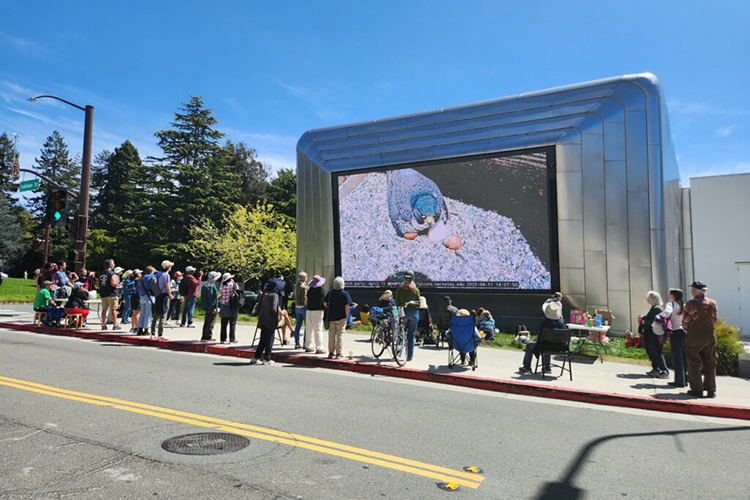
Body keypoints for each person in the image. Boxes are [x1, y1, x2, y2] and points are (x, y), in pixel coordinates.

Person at [682, 281, 718, 398]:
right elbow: (714, 319)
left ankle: (697, 389)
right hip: (709, 336)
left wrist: (689, 327)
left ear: (694, 291)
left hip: (695, 337)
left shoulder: (690, 304)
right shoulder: (713, 303)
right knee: (710, 362)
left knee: (694, 362)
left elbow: (685, 322)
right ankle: (711, 389)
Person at [519, 300, 565, 374]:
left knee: (529, 345)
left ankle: (527, 367)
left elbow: (540, 340)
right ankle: (547, 367)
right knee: (548, 343)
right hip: (560, 348)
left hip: (545, 346)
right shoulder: (561, 323)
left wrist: (537, 339)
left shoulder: (544, 323)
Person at [639, 291, 668, 379]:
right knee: (650, 350)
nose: (647, 299)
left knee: (655, 350)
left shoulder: (656, 308)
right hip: (649, 331)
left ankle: (663, 370)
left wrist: (643, 317)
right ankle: (656, 368)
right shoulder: (654, 308)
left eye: (649, 298)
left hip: (653, 332)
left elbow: (652, 319)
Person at [323, 276, 353, 359]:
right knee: (340, 335)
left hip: (331, 317)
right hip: (341, 317)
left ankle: (331, 353)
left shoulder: (330, 292)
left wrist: (330, 307)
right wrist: (347, 317)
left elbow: (325, 303)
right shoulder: (345, 294)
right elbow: (347, 306)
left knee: (331, 334)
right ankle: (339, 353)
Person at [663, 288, 687, 388]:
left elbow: (667, 313)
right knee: (683, 357)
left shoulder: (671, 304)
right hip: (684, 331)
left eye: (670, 293)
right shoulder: (683, 305)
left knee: (676, 357)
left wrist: (660, 318)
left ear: (673, 295)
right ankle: (684, 379)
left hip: (675, 331)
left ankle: (679, 381)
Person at [252, 281, 280, 365]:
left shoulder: (265, 294)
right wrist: (277, 318)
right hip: (270, 320)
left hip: (263, 319)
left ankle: (256, 357)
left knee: (262, 340)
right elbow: (274, 309)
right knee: (269, 340)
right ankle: (267, 358)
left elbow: (258, 307)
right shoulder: (274, 295)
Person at [395, 270, 420, 362]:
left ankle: (398, 353)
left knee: (401, 333)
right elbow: (419, 304)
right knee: (411, 335)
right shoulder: (415, 290)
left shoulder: (400, 289)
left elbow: (397, 303)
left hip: (403, 313)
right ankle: (410, 355)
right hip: (414, 313)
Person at [150, 260, 173, 340]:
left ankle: (152, 333)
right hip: (164, 295)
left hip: (157, 294)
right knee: (163, 314)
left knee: (156, 314)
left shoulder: (158, 274)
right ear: (168, 267)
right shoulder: (166, 275)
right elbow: (167, 286)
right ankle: (160, 334)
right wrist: (170, 295)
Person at [304, 275, 326, 354]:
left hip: (309, 310)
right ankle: (319, 347)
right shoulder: (322, 291)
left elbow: (305, 302)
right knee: (318, 330)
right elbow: (324, 303)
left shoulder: (310, 290)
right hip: (318, 311)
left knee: (309, 329)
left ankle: (308, 346)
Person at [99, 259, 121, 331]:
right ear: (111, 265)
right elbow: (113, 283)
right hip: (111, 293)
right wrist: (118, 284)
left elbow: (98, 284)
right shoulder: (112, 273)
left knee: (104, 310)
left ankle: (103, 324)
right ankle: (115, 324)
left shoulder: (101, 273)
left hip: (103, 293)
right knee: (113, 309)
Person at [218, 272, 239, 344]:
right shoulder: (233, 284)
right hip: (231, 305)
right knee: (232, 323)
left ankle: (223, 339)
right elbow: (237, 292)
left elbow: (220, 292)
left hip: (223, 305)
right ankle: (232, 339)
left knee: (223, 323)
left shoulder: (222, 286)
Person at [200, 271, 221, 341]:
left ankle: (203, 335)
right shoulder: (212, 287)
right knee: (211, 322)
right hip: (212, 307)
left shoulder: (204, 286)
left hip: (206, 306)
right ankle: (208, 336)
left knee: (206, 321)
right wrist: (214, 307)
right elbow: (213, 299)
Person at [137, 265, 156, 336]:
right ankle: (146, 329)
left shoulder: (141, 278)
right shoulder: (151, 277)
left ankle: (140, 328)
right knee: (148, 314)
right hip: (149, 296)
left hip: (142, 296)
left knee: (142, 313)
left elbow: (137, 288)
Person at [293, 272, 308, 349]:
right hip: (303, 306)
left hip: (297, 306)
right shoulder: (304, 286)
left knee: (298, 325)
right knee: (307, 326)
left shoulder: (296, 285)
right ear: (305, 278)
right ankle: (305, 343)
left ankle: (297, 343)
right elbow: (304, 297)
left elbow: (294, 295)